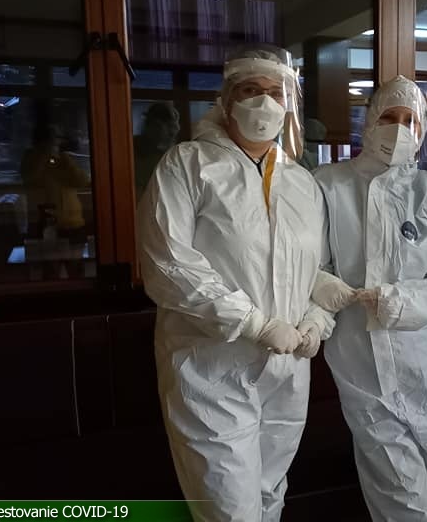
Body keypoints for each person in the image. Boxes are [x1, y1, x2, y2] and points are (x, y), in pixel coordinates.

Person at [136, 44, 334, 522]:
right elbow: (167, 264)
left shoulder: (301, 182)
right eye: (250, 90)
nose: (264, 103)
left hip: (288, 370)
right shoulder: (187, 165)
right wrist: (254, 323)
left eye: (275, 93)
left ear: (289, 105)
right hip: (211, 370)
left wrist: (316, 318)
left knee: (270, 497)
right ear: (226, 101)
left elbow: (316, 269)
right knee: (230, 510)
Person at [310, 75, 427, 522]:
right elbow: (306, 262)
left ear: (423, 131)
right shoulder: (328, 186)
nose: (400, 129)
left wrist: (399, 302)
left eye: (410, 121)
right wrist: (320, 287)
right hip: (362, 365)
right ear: (369, 121)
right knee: (399, 497)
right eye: (389, 117)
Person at [134, 101, 181, 200]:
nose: (173, 133)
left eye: (174, 127)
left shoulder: (175, 155)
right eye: (169, 126)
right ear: (151, 125)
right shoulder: (130, 150)